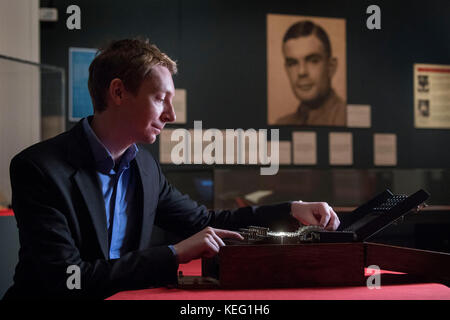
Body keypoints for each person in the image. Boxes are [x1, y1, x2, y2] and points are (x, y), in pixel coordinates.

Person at [4, 38, 340, 300]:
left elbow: (206, 223)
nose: (172, 115)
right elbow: (68, 280)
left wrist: (292, 210)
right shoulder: (38, 168)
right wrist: (173, 254)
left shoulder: (144, 167)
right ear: (118, 92)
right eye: (160, 99)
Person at [276, 20, 346, 126]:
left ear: (331, 67)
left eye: (313, 61)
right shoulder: (281, 125)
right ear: (286, 70)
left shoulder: (347, 119)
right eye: (293, 63)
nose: (301, 72)